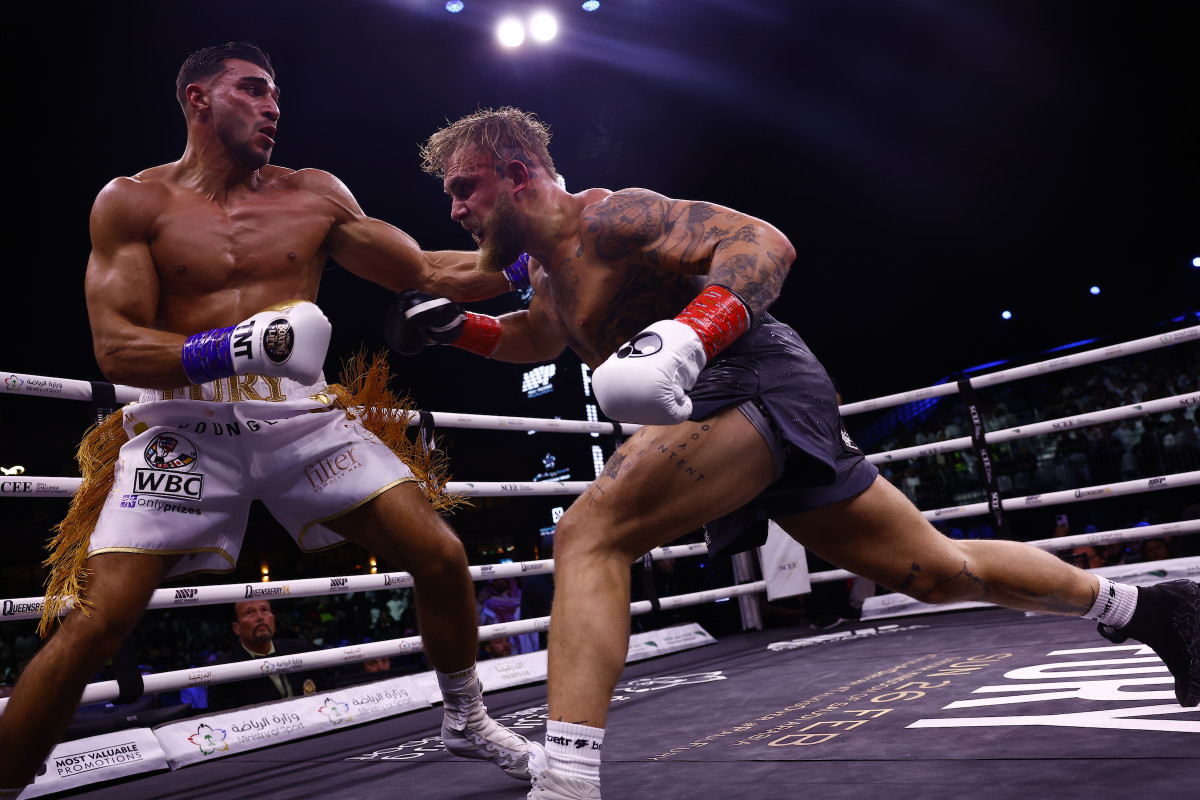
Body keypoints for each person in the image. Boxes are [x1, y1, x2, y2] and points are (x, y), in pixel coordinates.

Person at [390, 106, 1200, 799]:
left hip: (749, 375)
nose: (455, 210)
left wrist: (691, 336)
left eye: (464, 189)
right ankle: (1148, 608)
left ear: (518, 172)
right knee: (936, 571)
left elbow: (762, 243)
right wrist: (463, 329)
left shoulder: (613, 217)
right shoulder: (543, 275)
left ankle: (567, 779)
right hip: (718, 402)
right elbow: (541, 339)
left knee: (588, 533)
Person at [0, 45, 538, 796]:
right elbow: (116, 346)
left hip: (296, 416)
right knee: (95, 621)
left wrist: (536, 258)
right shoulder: (132, 202)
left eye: (275, 94)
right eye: (252, 90)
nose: (273, 107)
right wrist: (236, 346)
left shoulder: (315, 195)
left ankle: (466, 717)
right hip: (183, 424)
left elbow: (425, 270)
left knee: (440, 555)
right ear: (198, 98)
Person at [206, 600, 326, 711]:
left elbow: (328, 692)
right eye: (249, 612)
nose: (260, 617)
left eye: (264, 610)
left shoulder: (301, 649)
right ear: (236, 628)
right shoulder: (222, 672)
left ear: (273, 618)